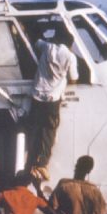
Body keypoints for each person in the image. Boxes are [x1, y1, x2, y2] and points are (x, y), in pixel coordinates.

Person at [26, 28, 79, 180]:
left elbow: (36, 41)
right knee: (49, 130)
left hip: (37, 95)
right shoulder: (70, 56)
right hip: (52, 99)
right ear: (70, 44)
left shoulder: (47, 47)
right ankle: (42, 163)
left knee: (34, 130)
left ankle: (29, 163)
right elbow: (74, 78)